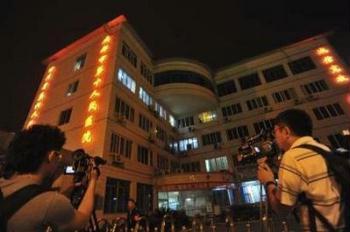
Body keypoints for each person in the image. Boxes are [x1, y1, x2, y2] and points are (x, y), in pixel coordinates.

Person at [257, 109, 345, 231]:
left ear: (286, 131)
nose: (274, 137)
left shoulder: (292, 157)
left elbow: (282, 208)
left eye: (275, 131)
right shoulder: (325, 149)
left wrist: (268, 181)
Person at [0, 124, 99, 231]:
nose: (59, 160)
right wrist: (93, 180)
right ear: (51, 156)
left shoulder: (3, 183)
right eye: (58, 155)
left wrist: (62, 195)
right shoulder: (51, 202)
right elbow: (82, 220)